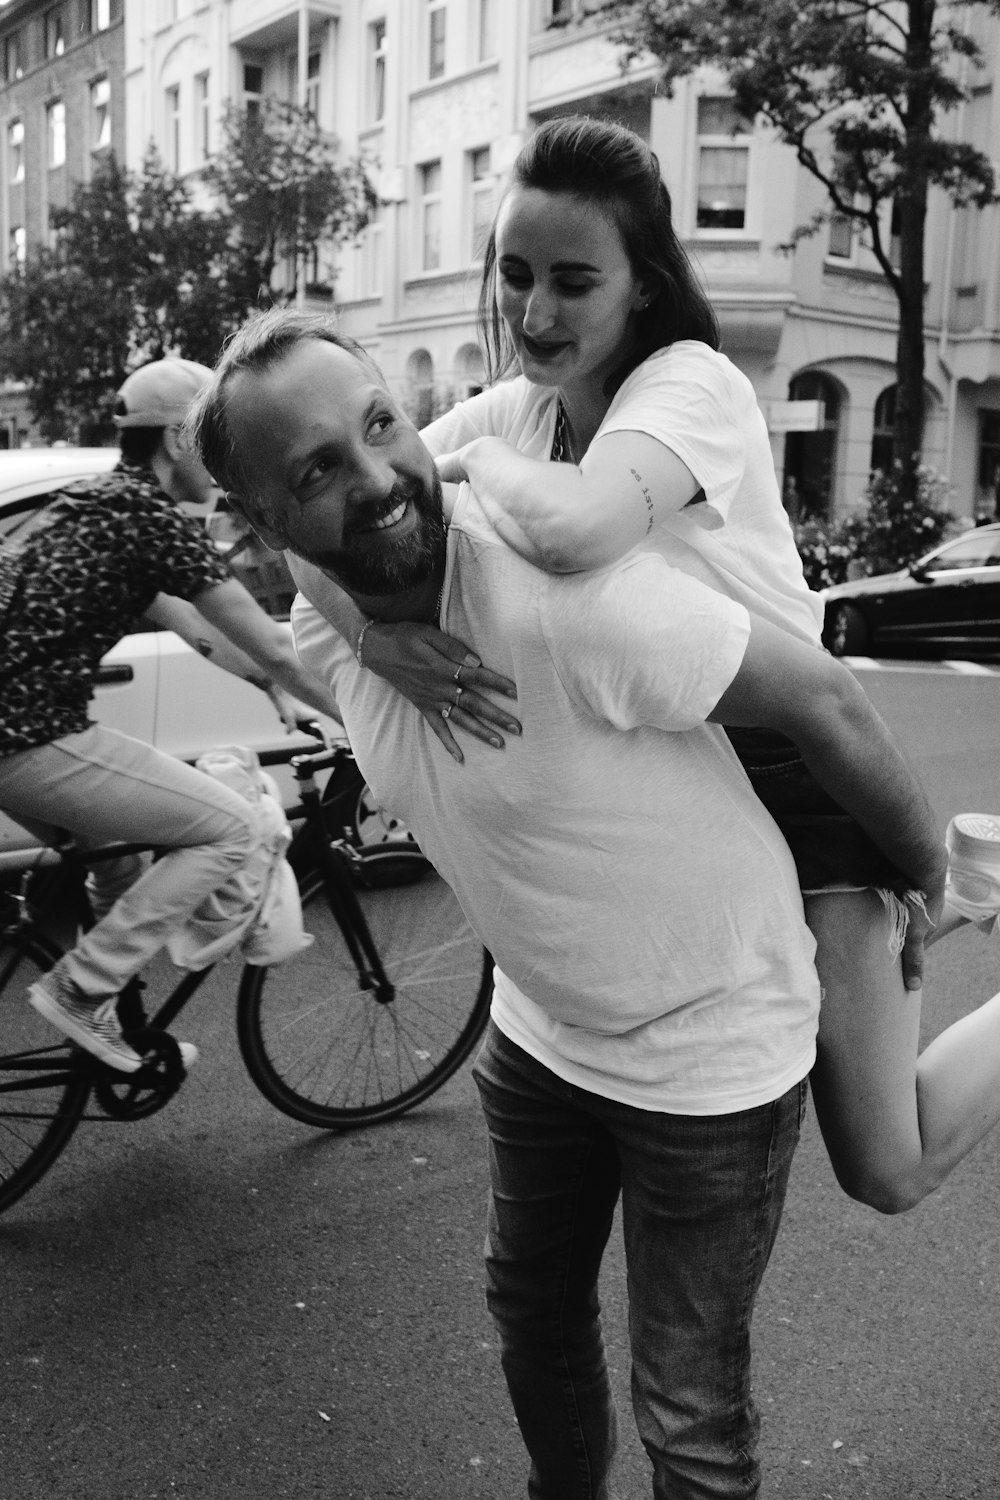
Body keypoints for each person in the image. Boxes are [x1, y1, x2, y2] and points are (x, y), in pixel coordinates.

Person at [189, 309, 949, 1499]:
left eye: (381, 425)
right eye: (319, 468)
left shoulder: (568, 599)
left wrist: (922, 868)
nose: (380, 476)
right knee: (531, 1316)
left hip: (709, 1054)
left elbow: (827, 700)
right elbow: (304, 579)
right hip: (543, 1034)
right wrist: (375, 636)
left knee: (687, 1410)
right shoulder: (325, 619)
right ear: (265, 518)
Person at [283, 115, 1000, 1219]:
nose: (533, 313)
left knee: (883, 1165)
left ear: (643, 288)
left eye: (574, 282)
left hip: (803, 777)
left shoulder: (690, 386)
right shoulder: (524, 410)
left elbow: (580, 533)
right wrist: (376, 637)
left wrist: (918, 873)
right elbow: (316, 513)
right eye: (516, 275)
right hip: (689, 797)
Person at [0, 356, 336, 1074]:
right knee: (234, 828)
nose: (223, 468)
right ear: (181, 441)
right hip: (26, 736)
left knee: (122, 861)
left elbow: (197, 626)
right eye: (215, 446)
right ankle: (81, 989)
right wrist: (356, 718)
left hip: (15, 734)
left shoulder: (96, 503)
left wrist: (273, 692)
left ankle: (115, 1030)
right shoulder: (149, 519)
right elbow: (277, 644)